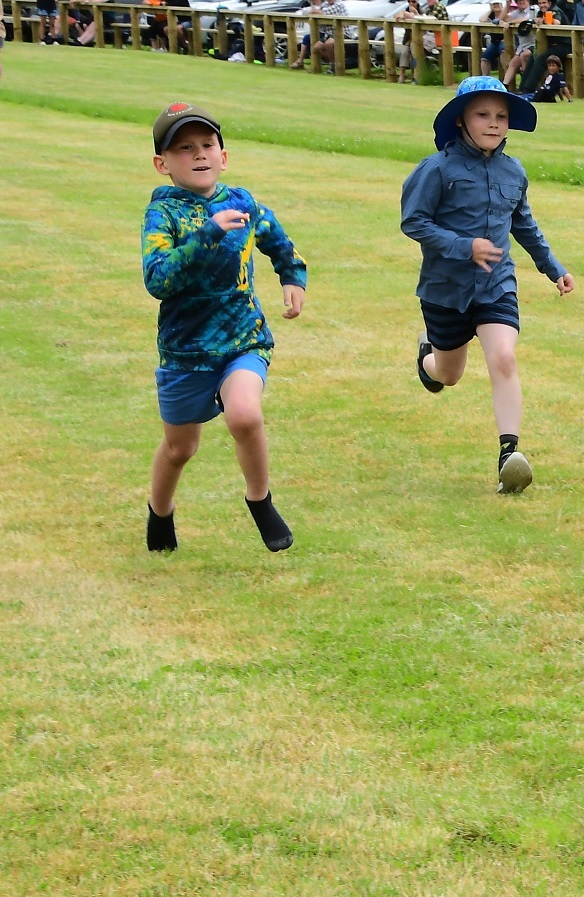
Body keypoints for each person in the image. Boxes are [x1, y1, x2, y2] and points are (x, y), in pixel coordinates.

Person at [142, 103, 308, 553]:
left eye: (207, 145)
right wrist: (207, 235)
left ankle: (260, 501)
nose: (199, 155)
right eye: (184, 148)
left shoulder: (242, 201)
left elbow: (276, 239)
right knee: (180, 448)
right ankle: (160, 512)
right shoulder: (164, 216)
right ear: (163, 164)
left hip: (243, 338)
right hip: (185, 350)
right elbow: (158, 279)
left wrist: (292, 276)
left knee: (245, 415)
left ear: (223, 155)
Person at [402, 76, 575, 495]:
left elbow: (524, 224)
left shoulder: (513, 171)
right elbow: (414, 222)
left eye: (501, 116)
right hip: (445, 290)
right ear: (461, 120)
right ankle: (428, 356)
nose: (494, 124)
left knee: (503, 358)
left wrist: (553, 267)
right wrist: (465, 246)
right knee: (448, 374)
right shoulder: (436, 168)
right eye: (483, 114)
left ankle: (508, 456)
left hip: (497, 285)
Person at [394, 0, 450, 84]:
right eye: (409, 1)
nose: (411, 3)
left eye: (413, 1)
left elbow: (430, 20)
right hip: (419, 37)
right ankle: (402, 75)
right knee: (406, 49)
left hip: (437, 37)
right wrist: (403, 15)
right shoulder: (428, 8)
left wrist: (414, 14)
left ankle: (417, 77)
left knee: (414, 46)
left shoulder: (437, 7)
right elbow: (398, 16)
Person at [288, 0, 349, 70]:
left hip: (342, 33)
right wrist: (314, 11)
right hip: (328, 34)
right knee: (317, 46)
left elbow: (320, 13)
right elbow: (312, 13)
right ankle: (336, 63)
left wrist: (314, 10)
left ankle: (334, 66)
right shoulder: (325, 4)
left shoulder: (339, 4)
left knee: (328, 43)